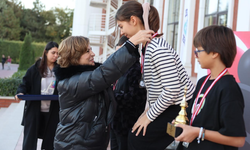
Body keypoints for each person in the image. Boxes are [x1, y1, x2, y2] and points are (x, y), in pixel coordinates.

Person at [53, 31, 154, 150]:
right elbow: (104, 73)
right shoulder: (72, 82)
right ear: (74, 55)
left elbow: (104, 69)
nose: (93, 54)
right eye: (87, 51)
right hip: (74, 145)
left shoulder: (85, 76)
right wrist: (130, 44)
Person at [115, 1, 195, 150]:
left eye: (121, 26)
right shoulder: (149, 47)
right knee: (137, 135)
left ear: (133, 20)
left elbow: (172, 89)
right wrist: (147, 112)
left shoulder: (157, 48)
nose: (121, 32)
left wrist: (149, 116)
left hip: (180, 108)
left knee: (138, 138)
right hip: (170, 106)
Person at [175, 25, 246, 150]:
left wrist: (199, 132)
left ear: (214, 53)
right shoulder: (203, 81)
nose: (196, 55)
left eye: (198, 51)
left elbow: (238, 140)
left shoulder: (229, 89)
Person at [15, 42, 60, 150]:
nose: (56, 56)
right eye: (53, 53)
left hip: (53, 111)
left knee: (51, 141)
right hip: (34, 110)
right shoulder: (34, 69)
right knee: (30, 141)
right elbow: (24, 84)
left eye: (58, 53)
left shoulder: (60, 70)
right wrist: (20, 93)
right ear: (45, 52)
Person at [111, 35, 147, 150]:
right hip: (115, 123)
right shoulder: (119, 69)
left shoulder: (136, 70)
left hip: (127, 126)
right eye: (116, 53)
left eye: (120, 53)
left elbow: (135, 98)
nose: (117, 57)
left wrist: (112, 98)